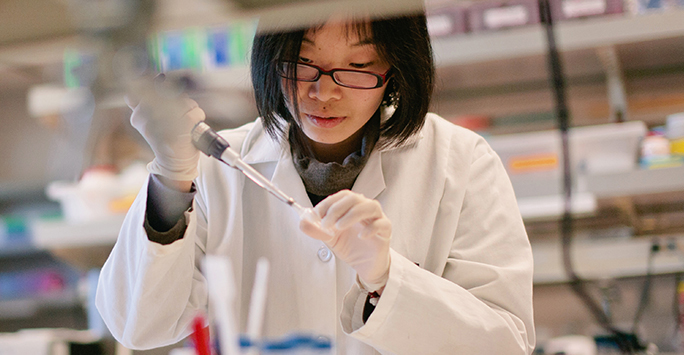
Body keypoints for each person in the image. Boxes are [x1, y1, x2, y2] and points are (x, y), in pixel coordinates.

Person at [96, 10, 536, 355]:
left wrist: (387, 278)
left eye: (358, 65)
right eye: (303, 63)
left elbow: (505, 343)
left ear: (396, 68)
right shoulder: (216, 168)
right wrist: (173, 179)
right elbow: (139, 324)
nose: (323, 93)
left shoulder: (458, 162)